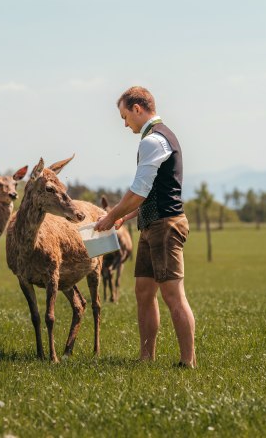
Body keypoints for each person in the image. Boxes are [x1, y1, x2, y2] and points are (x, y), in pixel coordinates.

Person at [95, 86, 196, 368]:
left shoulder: (152, 141)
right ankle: (146, 358)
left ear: (137, 109)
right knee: (143, 290)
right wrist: (123, 218)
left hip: (166, 225)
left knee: (173, 294)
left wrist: (108, 216)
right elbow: (151, 193)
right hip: (151, 224)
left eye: (125, 116)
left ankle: (188, 362)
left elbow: (137, 192)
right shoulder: (159, 138)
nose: (125, 124)